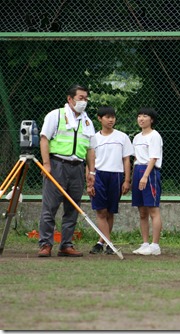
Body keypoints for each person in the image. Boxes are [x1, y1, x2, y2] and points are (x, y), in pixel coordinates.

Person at [38, 84, 96, 257]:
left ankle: (66, 244)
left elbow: (90, 149)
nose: (83, 102)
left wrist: (91, 172)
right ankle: (45, 244)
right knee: (50, 207)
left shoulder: (87, 121)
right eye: (80, 98)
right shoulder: (55, 115)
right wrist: (46, 164)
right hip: (57, 165)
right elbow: (44, 139)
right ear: (70, 99)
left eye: (86, 98)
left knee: (73, 207)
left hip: (77, 168)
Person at [88, 107, 134, 255]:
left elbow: (127, 159)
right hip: (98, 175)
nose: (111, 120)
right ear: (99, 119)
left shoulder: (122, 137)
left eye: (113, 117)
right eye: (107, 117)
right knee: (101, 211)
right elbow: (90, 161)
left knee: (110, 211)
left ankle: (101, 243)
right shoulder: (93, 138)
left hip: (116, 175)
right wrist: (90, 181)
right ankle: (109, 244)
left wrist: (127, 180)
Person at [131, 108, 163, 256]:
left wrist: (145, 176)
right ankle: (145, 243)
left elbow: (153, 158)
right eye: (139, 116)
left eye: (145, 116)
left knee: (153, 210)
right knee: (142, 211)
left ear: (152, 120)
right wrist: (133, 177)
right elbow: (136, 159)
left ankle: (155, 245)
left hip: (150, 173)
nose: (141, 119)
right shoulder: (136, 137)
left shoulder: (155, 136)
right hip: (138, 171)